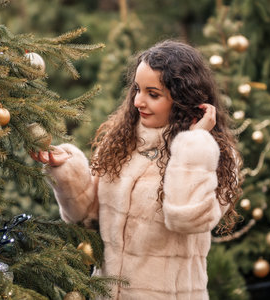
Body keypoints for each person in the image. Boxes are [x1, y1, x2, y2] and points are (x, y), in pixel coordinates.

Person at [31, 40, 241, 300]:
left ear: (183, 99)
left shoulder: (210, 154)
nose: (138, 101)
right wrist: (67, 171)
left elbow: (186, 219)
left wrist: (194, 142)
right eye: (137, 90)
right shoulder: (122, 142)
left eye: (153, 94)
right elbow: (88, 217)